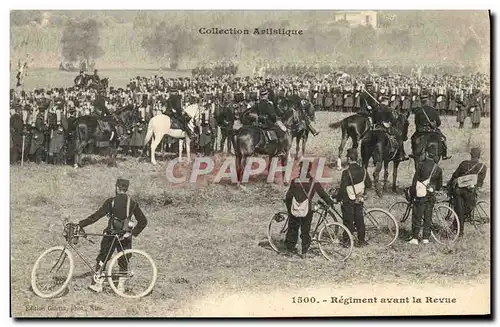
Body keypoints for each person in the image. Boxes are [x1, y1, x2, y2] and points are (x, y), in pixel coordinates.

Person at [77, 178, 148, 293]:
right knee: (124, 259)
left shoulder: (111, 201)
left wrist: (81, 224)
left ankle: (98, 284)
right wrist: (132, 233)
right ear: (126, 188)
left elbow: (96, 216)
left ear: (117, 187)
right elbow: (143, 221)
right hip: (125, 235)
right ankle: (121, 287)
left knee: (102, 258)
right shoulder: (133, 203)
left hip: (110, 235)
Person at [284, 160, 334, 258]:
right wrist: (330, 202)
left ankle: (290, 250)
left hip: (295, 209)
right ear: (309, 169)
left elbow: (289, 196)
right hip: (307, 209)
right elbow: (322, 194)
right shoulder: (313, 182)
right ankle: (304, 252)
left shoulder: (295, 181)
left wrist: (289, 208)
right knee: (305, 230)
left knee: (293, 228)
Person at [447, 147, 487, 237]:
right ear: (479, 155)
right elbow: (480, 182)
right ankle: (456, 227)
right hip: (471, 191)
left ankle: (460, 232)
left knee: (459, 210)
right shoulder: (483, 167)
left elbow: (455, 176)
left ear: (471, 154)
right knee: (466, 210)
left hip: (459, 190)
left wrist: (448, 186)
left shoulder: (464, 164)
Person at [408, 144, 443, 245]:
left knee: (417, 216)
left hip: (421, 194)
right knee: (428, 216)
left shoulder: (421, 165)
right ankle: (425, 238)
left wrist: (412, 193)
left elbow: (415, 182)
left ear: (426, 153)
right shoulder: (438, 169)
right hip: (431, 195)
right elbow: (439, 185)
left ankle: (415, 237)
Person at [336, 148, 372, 247]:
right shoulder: (363, 170)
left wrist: (337, 198)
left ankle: (347, 241)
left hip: (349, 199)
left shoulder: (346, 172)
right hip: (359, 198)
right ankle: (361, 241)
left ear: (348, 159)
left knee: (348, 220)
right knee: (359, 219)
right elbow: (369, 184)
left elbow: (343, 189)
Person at [411, 95, 451, 160]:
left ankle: (413, 153)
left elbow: (416, 123)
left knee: (413, 138)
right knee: (443, 138)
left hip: (421, 131)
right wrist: (434, 125)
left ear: (421, 102)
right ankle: (444, 155)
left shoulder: (418, 111)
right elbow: (438, 123)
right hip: (432, 131)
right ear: (427, 101)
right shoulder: (433, 110)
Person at [373, 96, 409, 162]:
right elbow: (393, 120)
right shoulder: (389, 109)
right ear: (386, 101)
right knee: (399, 136)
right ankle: (401, 154)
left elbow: (373, 120)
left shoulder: (375, 109)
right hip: (386, 128)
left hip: (377, 127)